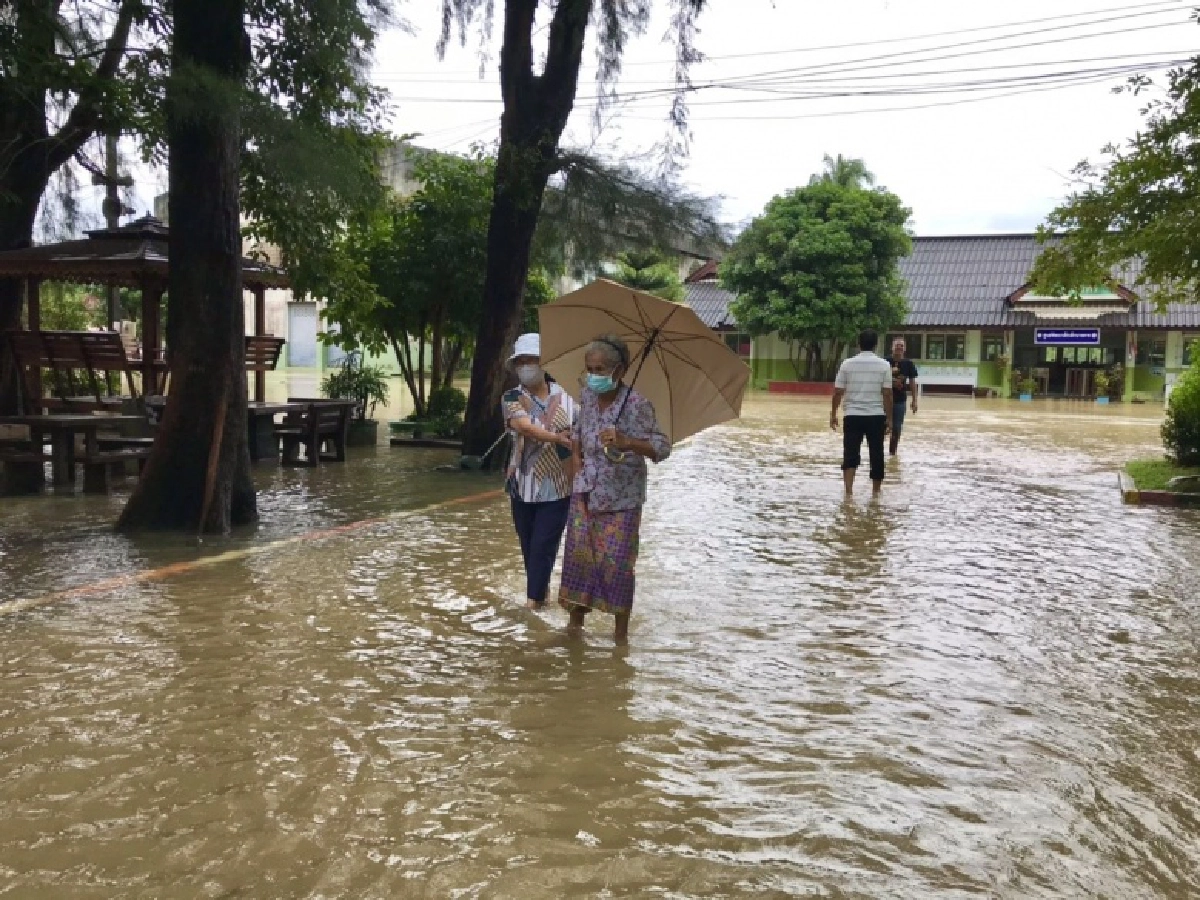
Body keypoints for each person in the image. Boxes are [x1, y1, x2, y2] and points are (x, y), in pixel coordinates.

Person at [559, 334, 671, 644]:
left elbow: (663, 448)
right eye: (590, 368)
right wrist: (577, 464)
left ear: (619, 370)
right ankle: (574, 628)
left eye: (600, 369)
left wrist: (628, 442)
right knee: (579, 561)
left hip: (621, 500)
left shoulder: (637, 405)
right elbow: (578, 435)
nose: (594, 375)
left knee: (618, 566)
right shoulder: (588, 398)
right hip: (585, 493)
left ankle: (620, 637)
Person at [502, 333, 577, 610]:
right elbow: (523, 426)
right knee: (529, 546)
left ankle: (533, 604)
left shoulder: (570, 396)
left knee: (544, 544)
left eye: (530, 360)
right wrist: (557, 437)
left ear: (544, 363)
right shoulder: (512, 397)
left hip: (559, 486)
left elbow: (581, 434)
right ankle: (540, 593)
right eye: (520, 362)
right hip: (521, 485)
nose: (525, 366)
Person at [830, 329, 894, 497]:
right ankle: (875, 493)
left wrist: (833, 414)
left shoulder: (847, 364)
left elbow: (838, 392)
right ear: (876, 345)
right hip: (876, 415)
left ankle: (849, 493)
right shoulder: (884, 365)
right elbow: (887, 394)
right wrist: (890, 419)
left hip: (852, 415)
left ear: (858, 344)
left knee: (850, 453)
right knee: (877, 454)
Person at [888, 337, 919, 456]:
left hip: (900, 401)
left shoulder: (909, 364)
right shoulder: (885, 362)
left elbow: (912, 382)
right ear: (892, 347)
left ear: (904, 349)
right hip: (883, 400)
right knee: (880, 426)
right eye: (897, 345)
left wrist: (914, 401)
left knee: (896, 427)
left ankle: (892, 453)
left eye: (901, 346)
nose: (899, 347)